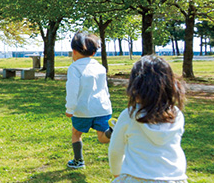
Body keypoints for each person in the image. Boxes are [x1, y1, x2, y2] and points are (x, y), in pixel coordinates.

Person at [109, 55, 187, 183]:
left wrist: (116, 172)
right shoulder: (176, 115)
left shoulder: (129, 115)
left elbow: (115, 150)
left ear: (135, 86)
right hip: (174, 178)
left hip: (136, 178)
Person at [65, 32, 112, 169]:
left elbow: (72, 90)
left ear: (74, 52)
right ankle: (113, 131)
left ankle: (78, 161)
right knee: (103, 137)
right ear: (93, 53)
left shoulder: (74, 68)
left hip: (83, 110)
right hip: (102, 108)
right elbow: (104, 88)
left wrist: (70, 109)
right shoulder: (100, 67)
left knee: (76, 133)